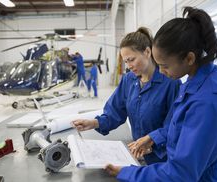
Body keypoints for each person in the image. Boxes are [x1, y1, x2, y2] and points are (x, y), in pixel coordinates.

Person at [104, 7, 217, 181]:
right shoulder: (203, 77)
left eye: (165, 66)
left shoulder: (209, 102)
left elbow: (181, 173)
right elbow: (182, 125)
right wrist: (155, 138)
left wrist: (125, 172)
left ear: (189, 58)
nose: (161, 71)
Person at [73, 27, 180, 165]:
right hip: (137, 154)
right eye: (125, 62)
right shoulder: (129, 80)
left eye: (131, 60)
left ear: (147, 52)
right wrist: (94, 123)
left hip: (163, 159)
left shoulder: (170, 82)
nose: (128, 66)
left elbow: (175, 125)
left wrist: (151, 141)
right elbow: (115, 111)